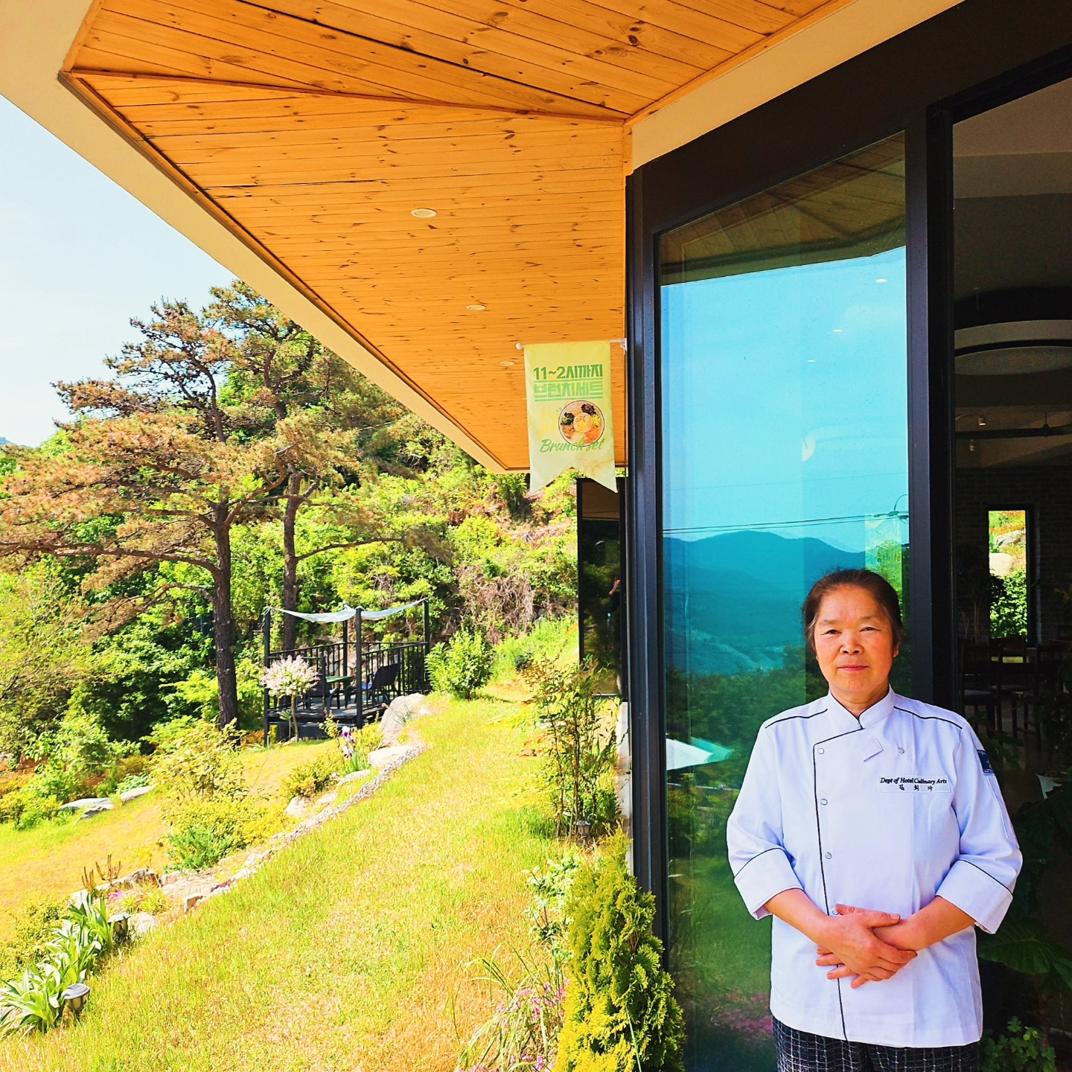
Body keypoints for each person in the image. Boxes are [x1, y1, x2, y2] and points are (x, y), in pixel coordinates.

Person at [726, 568, 1021, 1072]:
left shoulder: (947, 735)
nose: (850, 645)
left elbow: (993, 858)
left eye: (868, 628)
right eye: (832, 631)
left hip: (928, 997)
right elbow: (753, 850)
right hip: (817, 995)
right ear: (814, 645)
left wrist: (900, 941)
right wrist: (829, 932)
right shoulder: (781, 737)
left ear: (896, 642)